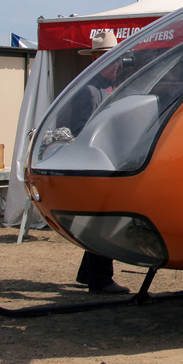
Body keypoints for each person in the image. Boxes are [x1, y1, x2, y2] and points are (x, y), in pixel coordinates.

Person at [72, 31, 129, 295]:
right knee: (103, 221)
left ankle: (88, 273)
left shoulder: (110, 86)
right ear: (96, 58)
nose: (115, 63)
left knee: (99, 221)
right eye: (109, 58)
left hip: (108, 159)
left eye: (116, 58)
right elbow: (80, 128)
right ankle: (100, 278)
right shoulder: (88, 90)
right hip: (97, 162)